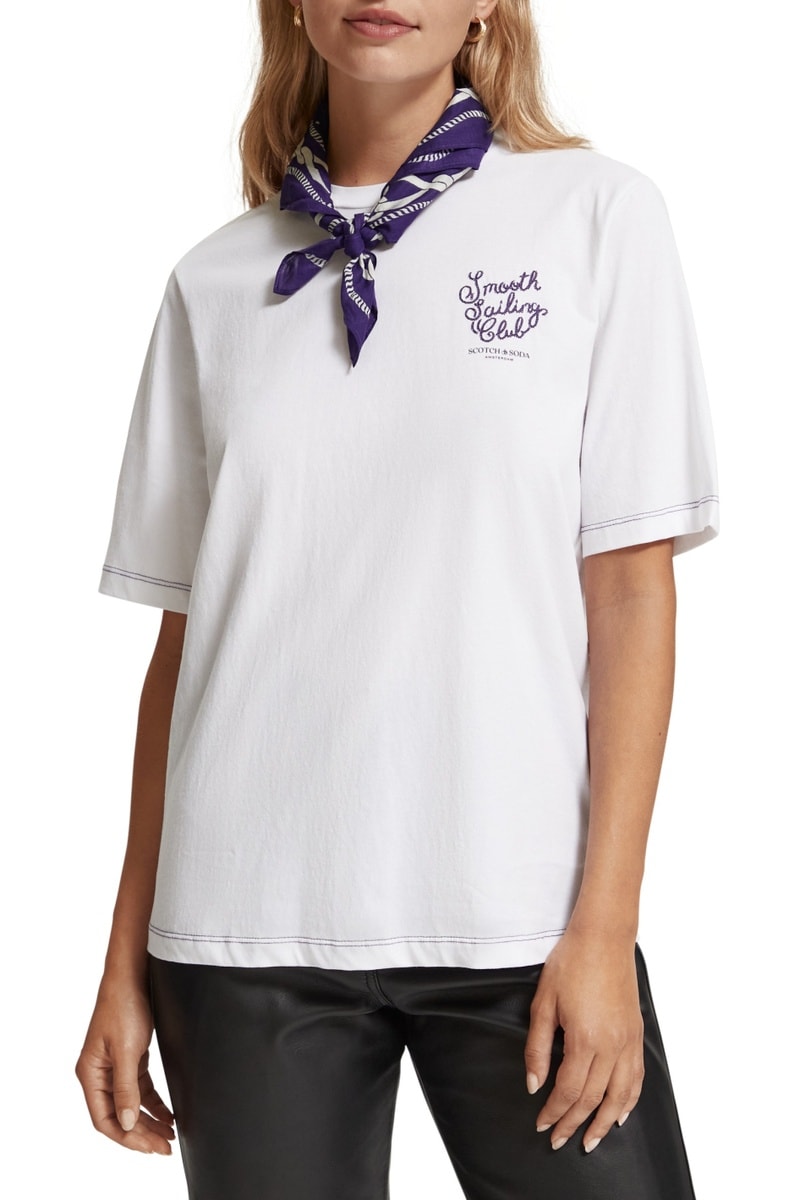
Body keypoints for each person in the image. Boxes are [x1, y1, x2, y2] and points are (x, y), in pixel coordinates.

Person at [75, 2, 720, 1197]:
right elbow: (186, 648)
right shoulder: (214, 281)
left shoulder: (594, 218)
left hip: (521, 919)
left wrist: (604, 931)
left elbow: (630, 595)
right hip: (240, 931)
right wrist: (124, 959)